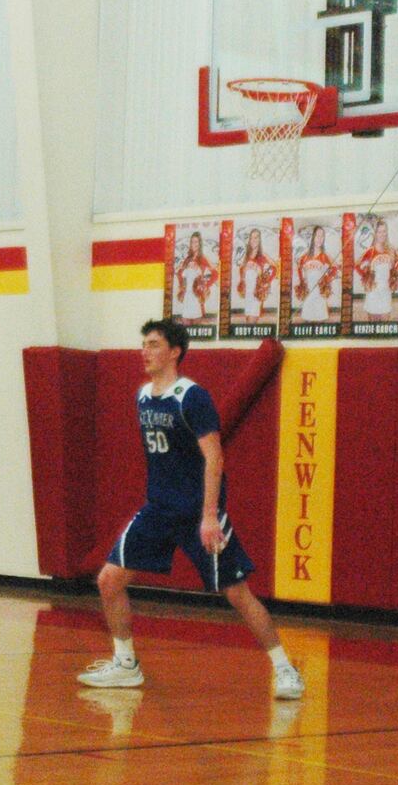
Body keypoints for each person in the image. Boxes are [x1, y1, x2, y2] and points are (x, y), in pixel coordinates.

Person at [77, 318, 305, 701]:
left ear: (174, 351)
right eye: (143, 344)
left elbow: (214, 458)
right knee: (108, 580)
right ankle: (125, 664)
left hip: (198, 513)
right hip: (158, 510)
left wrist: (210, 515)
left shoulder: (192, 397)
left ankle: (285, 668)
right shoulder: (144, 396)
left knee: (236, 594)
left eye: (152, 344)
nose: (144, 351)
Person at [356, 219, 398, 320]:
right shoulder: (370, 251)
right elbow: (356, 265)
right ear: (375, 233)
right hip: (373, 291)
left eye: (384, 231)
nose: (382, 234)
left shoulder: (391, 250)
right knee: (373, 324)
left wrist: (394, 275)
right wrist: (366, 277)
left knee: (385, 322)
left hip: (386, 291)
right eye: (379, 231)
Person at [294, 225, 336, 324]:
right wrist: (302, 282)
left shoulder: (325, 256)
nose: (320, 239)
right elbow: (299, 269)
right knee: (307, 320)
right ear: (313, 237)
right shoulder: (304, 257)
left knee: (319, 320)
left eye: (322, 236)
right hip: (309, 291)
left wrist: (326, 280)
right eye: (317, 236)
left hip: (319, 292)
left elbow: (334, 269)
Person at [234, 229, 277, 321]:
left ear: (260, 239)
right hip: (248, 292)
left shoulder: (262, 255)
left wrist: (264, 278)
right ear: (249, 240)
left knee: (252, 320)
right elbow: (241, 271)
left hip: (256, 291)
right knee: (248, 319)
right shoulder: (247, 255)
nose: (254, 240)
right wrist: (244, 271)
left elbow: (275, 268)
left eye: (256, 237)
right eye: (252, 237)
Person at [174, 232, 215, 321]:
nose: (194, 244)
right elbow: (180, 275)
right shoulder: (187, 259)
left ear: (200, 243)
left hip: (197, 297)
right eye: (192, 242)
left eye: (196, 242)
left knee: (197, 327)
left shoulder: (203, 258)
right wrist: (181, 285)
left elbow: (215, 274)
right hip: (187, 298)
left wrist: (205, 285)